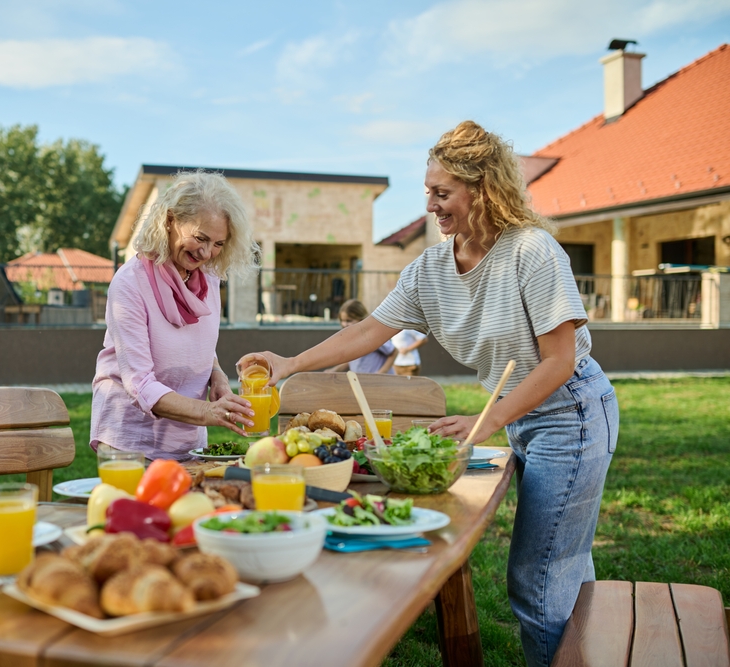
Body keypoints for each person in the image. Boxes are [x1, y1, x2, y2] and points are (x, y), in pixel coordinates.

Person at [239, 121, 618, 667]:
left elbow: (559, 362)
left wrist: (485, 423)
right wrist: (290, 364)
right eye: (428, 194)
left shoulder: (533, 252)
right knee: (563, 566)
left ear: (483, 189)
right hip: (524, 415)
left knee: (538, 580)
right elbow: (368, 331)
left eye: (443, 194)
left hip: (572, 412)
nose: (433, 207)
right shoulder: (432, 269)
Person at [90, 170, 260, 460]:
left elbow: (197, 342)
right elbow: (140, 384)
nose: (207, 253)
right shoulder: (130, 284)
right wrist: (209, 411)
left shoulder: (207, 277)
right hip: (130, 444)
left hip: (188, 439)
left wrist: (216, 375)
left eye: (219, 244)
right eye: (200, 238)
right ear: (170, 221)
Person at [328, 299, 397, 374]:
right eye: (342, 320)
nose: (345, 324)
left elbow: (394, 352)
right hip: (360, 382)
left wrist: (381, 372)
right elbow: (352, 359)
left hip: (378, 382)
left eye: (349, 320)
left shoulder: (372, 335)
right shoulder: (349, 338)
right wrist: (334, 370)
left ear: (361, 319)